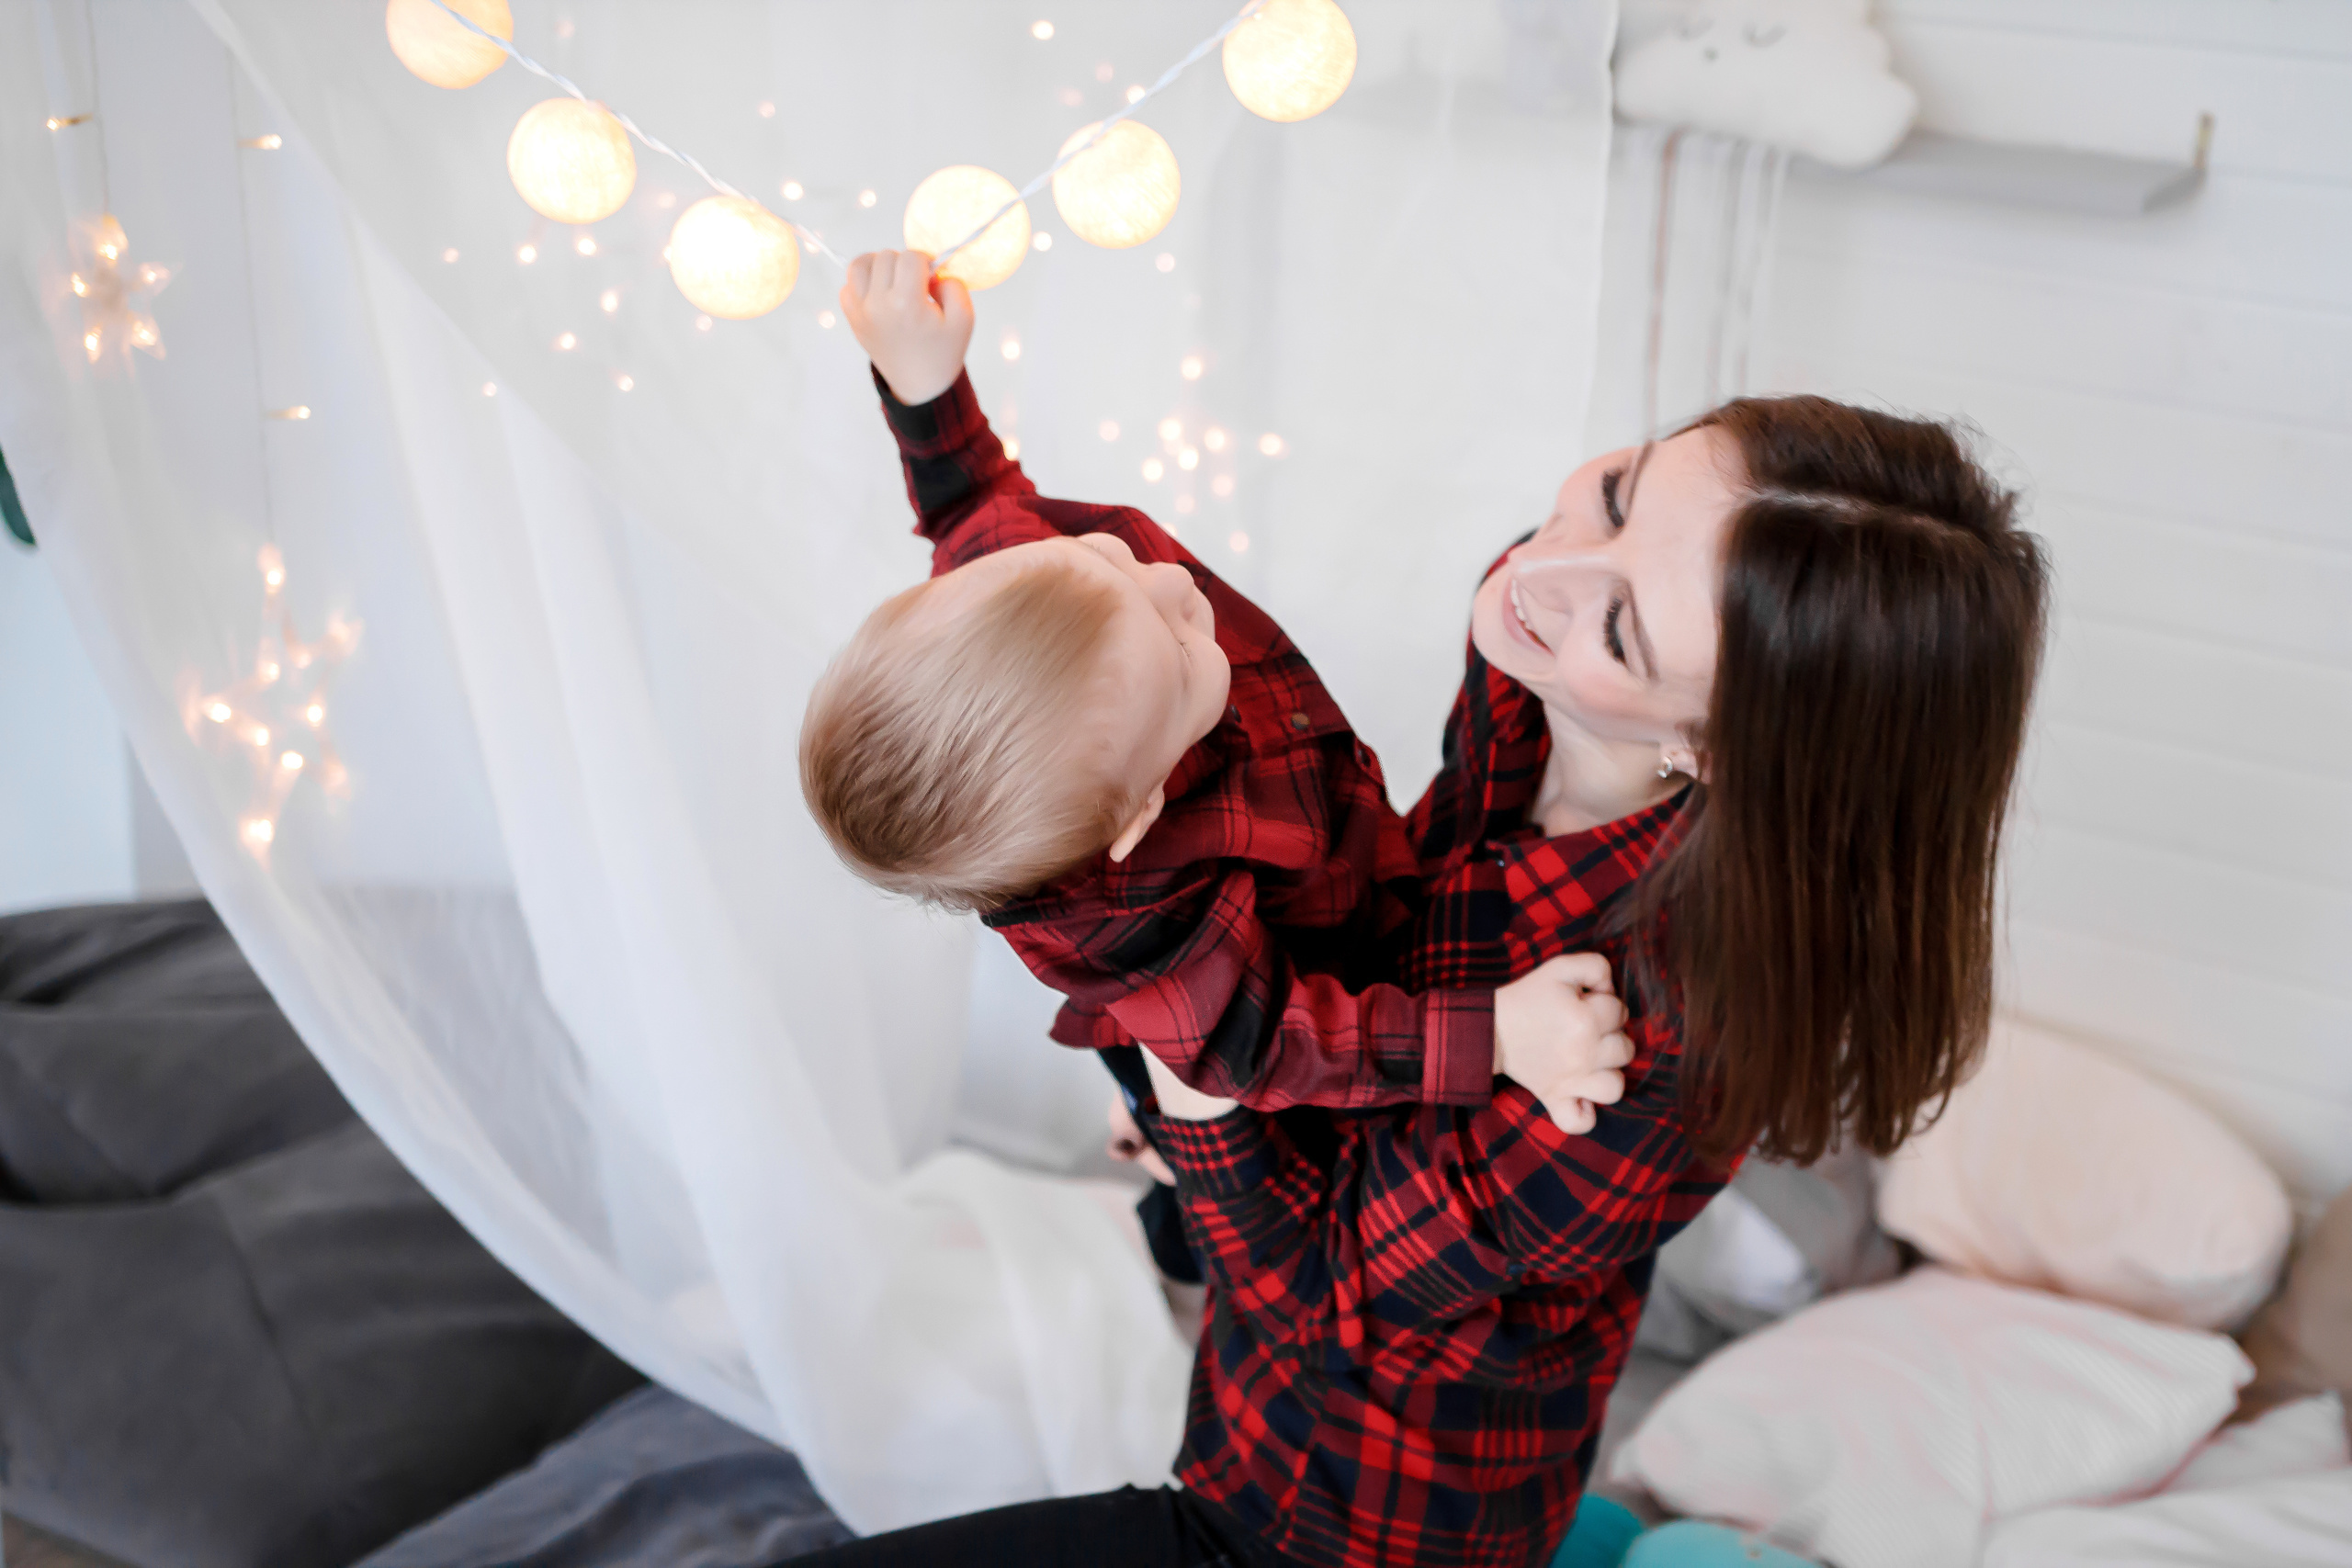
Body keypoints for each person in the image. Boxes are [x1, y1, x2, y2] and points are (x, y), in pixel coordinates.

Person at [791, 351, 2050, 1565]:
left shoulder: (1654, 1039)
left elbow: (1323, 1297)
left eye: (1618, 624)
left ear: (1712, 745)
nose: (1549, 565)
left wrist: (1201, 1103)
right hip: (1278, 1393)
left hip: (1348, 1508)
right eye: (1617, 494)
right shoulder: (1535, 677)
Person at [801, 251, 1627, 1142]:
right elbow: (1262, 1047)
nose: (1174, 586)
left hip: (1329, 817)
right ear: (1142, 806)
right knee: (1198, 1122)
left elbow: (970, 508)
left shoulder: (1012, 604)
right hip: (1305, 978)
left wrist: (925, 385)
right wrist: (1495, 1036)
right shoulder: (1134, 914)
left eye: (1109, 558)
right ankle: (1157, 1170)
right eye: (1181, 651)